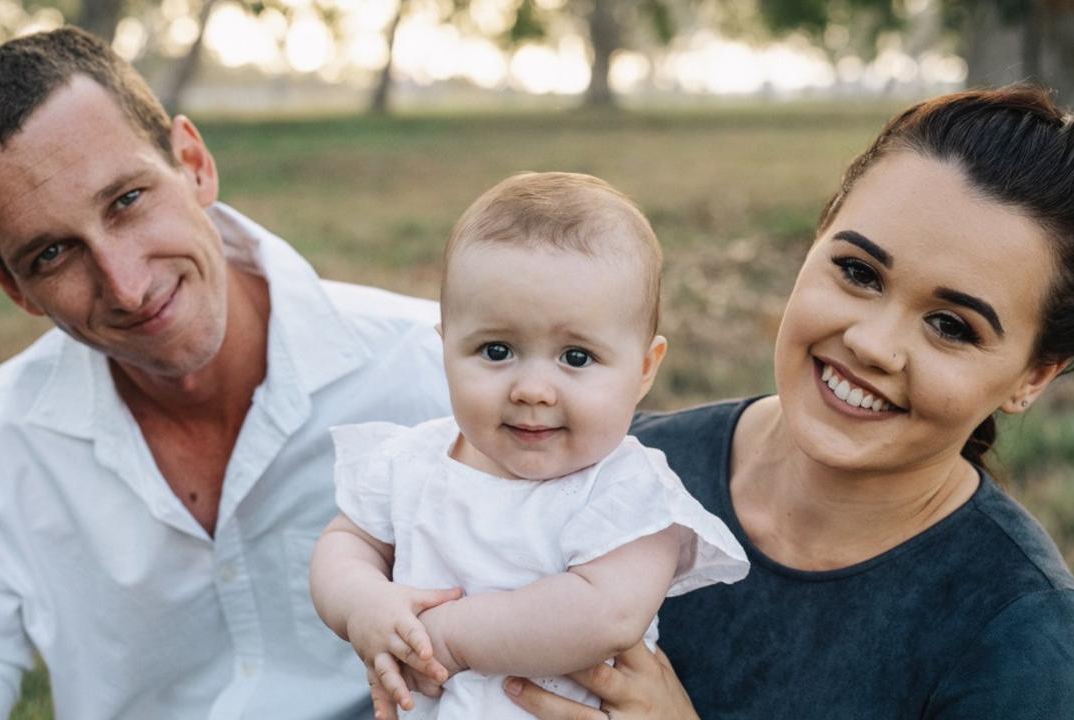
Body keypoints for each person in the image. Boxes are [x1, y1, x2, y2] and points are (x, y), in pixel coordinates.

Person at [502, 87, 1074, 719]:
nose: (873, 345)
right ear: (817, 238)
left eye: (951, 325)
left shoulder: (1018, 637)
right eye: (859, 272)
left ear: (1034, 377)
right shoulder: (615, 463)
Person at [0, 27, 451, 719]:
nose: (126, 287)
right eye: (53, 254)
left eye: (126, 200)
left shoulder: (436, 371)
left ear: (193, 163)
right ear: (12, 287)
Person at [309, 172, 750, 720]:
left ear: (643, 371)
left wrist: (451, 639)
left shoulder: (626, 491)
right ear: (445, 346)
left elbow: (605, 613)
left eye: (577, 357)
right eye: (497, 350)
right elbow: (345, 542)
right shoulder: (413, 461)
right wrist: (362, 603)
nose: (532, 390)